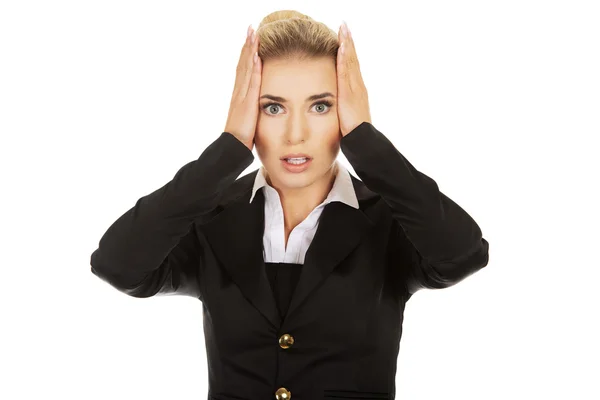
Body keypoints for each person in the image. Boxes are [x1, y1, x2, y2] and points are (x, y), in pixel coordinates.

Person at [90, 10, 490, 400]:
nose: (296, 134)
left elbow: (464, 255)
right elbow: (118, 265)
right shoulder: (212, 219)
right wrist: (227, 149)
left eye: (321, 106)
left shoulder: (390, 220)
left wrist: (367, 143)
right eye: (273, 107)